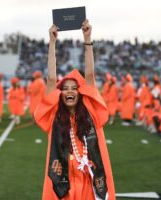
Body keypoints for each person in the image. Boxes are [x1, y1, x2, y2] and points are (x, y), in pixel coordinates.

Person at [34, 20, 115, 200]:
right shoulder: (54, 116)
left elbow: (90, 76)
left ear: (80, 93)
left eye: (74, 88)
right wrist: (52, 42)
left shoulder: (90, 114)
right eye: (65, 88)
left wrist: (87, 40)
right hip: (62, 182)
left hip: (89, 179)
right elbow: (51, 79)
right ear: (60, 93)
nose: (69, 91)